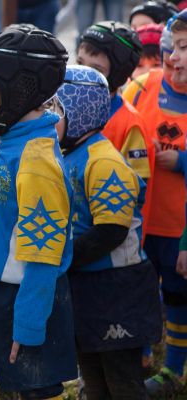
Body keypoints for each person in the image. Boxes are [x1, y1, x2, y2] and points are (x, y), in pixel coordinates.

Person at [0, 26, 76, 399]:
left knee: (35, 391)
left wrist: (28, 327)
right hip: (5, 294)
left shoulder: (35, 162)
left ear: (18, 95)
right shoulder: (14, 142)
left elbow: (44, 257)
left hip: (27, 301)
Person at [56, 65, 162, 400]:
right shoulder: (70, 155)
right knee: (92, 376)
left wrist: (62, 256)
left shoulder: (104, 162)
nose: (49, 119)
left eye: (56, 110)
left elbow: (111, 231)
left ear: (79, 112)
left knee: (122, 382)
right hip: (85, 285)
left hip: (116, 287)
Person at [123, 13, 187, 397]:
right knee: (139, 290)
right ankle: (141, 352)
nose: (174, 57)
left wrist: (181, 162)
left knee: (178, 297)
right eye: (173, 47)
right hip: (139, 222)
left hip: (178, 229)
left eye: (185, 49)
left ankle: (174, 368)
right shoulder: (143, 87)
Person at [77, 21, 156, 233]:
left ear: (118, 75)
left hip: (112, 244)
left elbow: (136, 194)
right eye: (79, 63)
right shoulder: (66, 110)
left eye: (95, 69)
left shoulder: (130, 124)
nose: (83, 74)